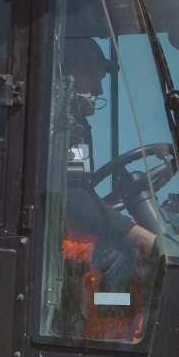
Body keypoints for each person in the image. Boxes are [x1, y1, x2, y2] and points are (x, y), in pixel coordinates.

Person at [60, 36, 160, 339]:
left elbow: (76, 193)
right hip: (49, 237)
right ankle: (111, 334)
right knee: (121, 254)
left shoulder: (71, 121)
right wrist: (137, 234)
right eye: (94, 77)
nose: (100, 89)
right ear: (70, 73)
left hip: (62, 224)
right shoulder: (62, 124)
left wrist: (112, 203)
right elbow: (72, 199)